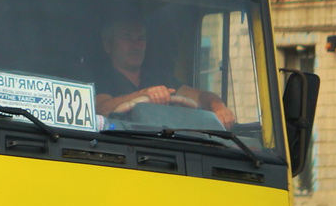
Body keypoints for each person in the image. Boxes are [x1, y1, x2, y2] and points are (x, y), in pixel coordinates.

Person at [92, 16, 235, 127]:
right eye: (128, 38)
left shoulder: (160, 78)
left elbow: (201, 96)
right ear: (108, 45)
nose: (136, 45)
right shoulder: (100, 78)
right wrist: (144, 94)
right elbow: (101, 109)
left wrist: (218, 106)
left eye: (141, 38)